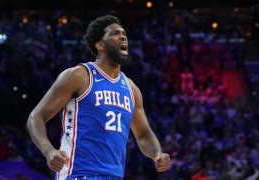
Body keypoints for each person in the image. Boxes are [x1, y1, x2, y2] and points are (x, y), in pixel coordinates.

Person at [27, 15, 170, 180]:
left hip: (114, 176)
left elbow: (144, 134)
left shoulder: (131, 89)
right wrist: (48, 151)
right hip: (79, 174)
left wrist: (157, 153)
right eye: (115, 33)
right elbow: (35, 116)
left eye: (124, 33)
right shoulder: (79, 76)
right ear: (100, 45)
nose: (123, 36)